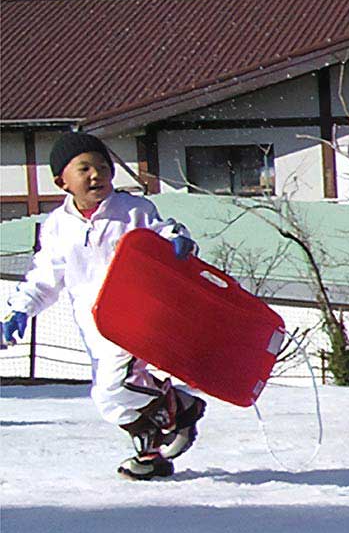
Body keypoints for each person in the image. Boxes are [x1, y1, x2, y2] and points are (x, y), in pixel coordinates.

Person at [0, 132, 203, 480]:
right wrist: (19, 309)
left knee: (114, 388)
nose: (96, 174)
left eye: (102, 166)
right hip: (96, 328)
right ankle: (156, 447)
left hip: (136, 315)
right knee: (109, 400)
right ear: (61, 181)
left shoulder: (131, 210)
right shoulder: (57, 227)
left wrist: (177, 241)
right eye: (84, 168)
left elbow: (163, 232)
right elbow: (45, 277)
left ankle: (177, 407)